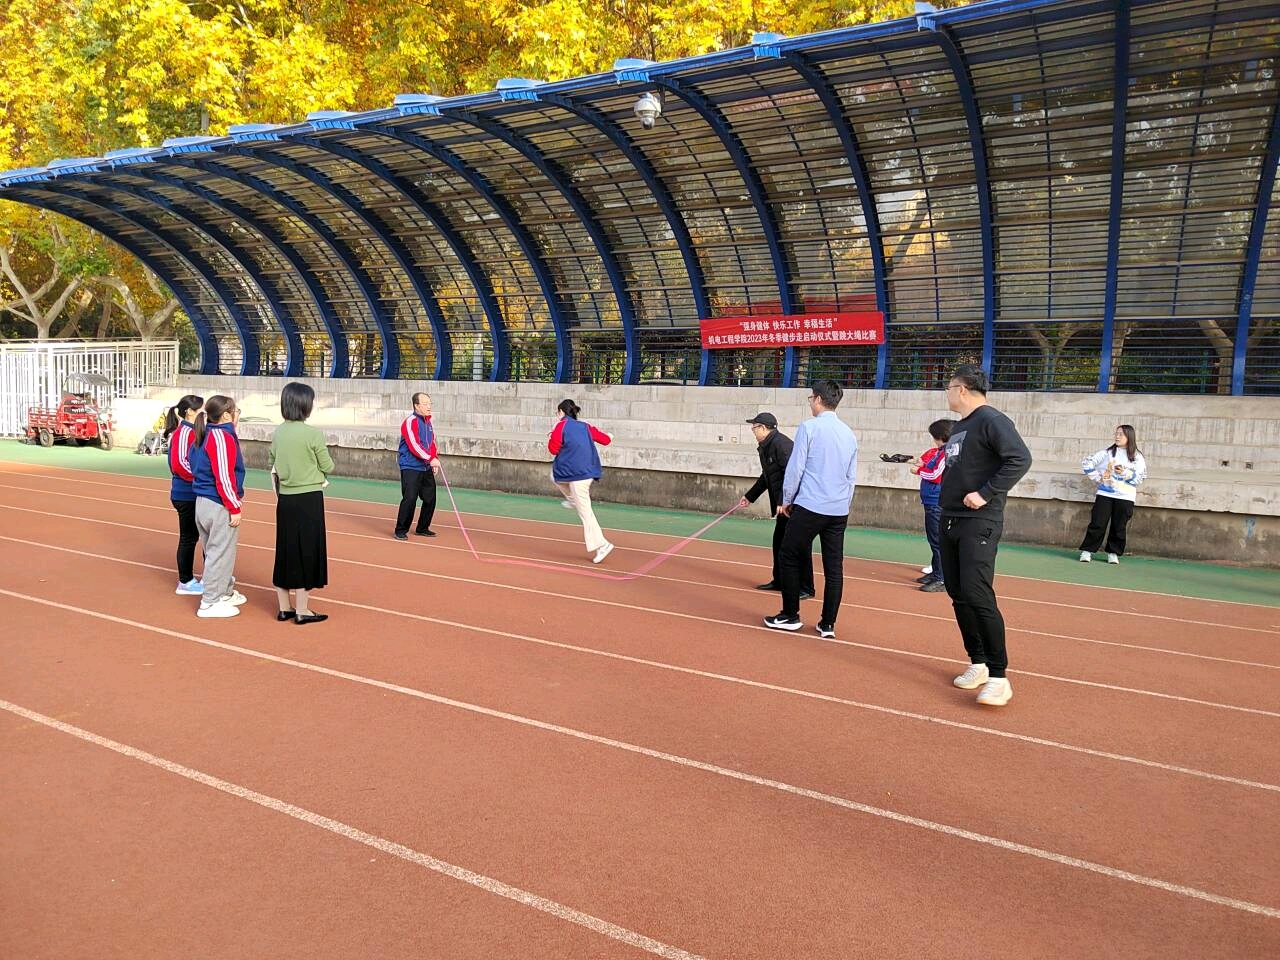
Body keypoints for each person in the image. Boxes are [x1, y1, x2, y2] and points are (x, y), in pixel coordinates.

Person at [939, 365, 1032, 707]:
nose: (947, 394)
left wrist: (985, 493)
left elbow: (1020, 459)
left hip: (979, 520)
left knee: (977, 593)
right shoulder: (960, 427)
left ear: (962, 389)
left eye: (949, 387)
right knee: (958, 593)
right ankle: (977, 662)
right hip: (950, 517)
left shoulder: (992, 420)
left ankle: (998, 676)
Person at [763, 380, 858, 639]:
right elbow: (851, 476)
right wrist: (844, 503)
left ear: (817, 399)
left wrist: (786, 499)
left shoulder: (809, 427)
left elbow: (796, 468)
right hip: (838, 509)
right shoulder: (848, 433)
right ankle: (828, 623)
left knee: (788, 554)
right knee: (834, 567)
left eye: (810, 398)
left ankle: (790, 614)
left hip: (811, 504)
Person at [270, 382, 334, 625]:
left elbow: (272, 459)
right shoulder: (313, 434)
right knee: (307, 550)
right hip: (309, 498)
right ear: (305, 405)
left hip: (285, 498)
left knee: (285, 550)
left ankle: (284, 607)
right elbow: (328, 466)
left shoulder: (278, 432)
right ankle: (302, 609)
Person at [738, 413, 813, 599]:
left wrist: (783, 501)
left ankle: (806, 587)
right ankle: (779, 580)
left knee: (798, 545)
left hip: (794, 504)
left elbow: (793, 474)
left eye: (754, 427)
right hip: (784, 506)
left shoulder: (782, 445)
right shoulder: (765, 446)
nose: (752, 430)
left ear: (763, 428)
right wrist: (750, 496)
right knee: (779, 542)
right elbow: (767, 476)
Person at [189, 395, 247, 619]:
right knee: (219, 553)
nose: (237, 414)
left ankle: (223, 592)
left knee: (217, 551)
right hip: (217, 503)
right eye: (235, 411)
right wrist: (234, 506)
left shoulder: (207, 434)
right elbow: (224, 475)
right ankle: (210, 601)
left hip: (204, 502)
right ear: (225, 415)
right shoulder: (220, 437)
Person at [549, 399, 614, 564]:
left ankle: (602, 544)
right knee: (555, 477)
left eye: (557, 412)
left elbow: (553, 449)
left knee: (585, 512)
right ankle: (572, 499)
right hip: (585, 472)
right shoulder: (585, 426)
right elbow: (605, 440)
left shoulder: (560, 426)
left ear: (561, 412)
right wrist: (609, 436)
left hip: (576, 474)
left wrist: (552, 436)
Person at [1078, 424, 1146, 564]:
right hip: (1105, 494)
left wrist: (1125, 473)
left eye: (1121, 434)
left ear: (1129, 437)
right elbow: (1087, 463)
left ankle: (1113, 553)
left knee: (1119, 526)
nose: (1117, 437)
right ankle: (1087, 551)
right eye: (1116, 433)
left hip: (1126, 496)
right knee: (1098, 523)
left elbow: (1141, 478)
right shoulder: (1107, 453)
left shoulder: (1137, 457)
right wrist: (1099, 477)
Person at [166, 394, 205, 595]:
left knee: (201, 536)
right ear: (190, 412)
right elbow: (180, 463)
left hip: (194, 491)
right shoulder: (183, 433)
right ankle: (185, 581)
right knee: (189, 537)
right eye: (200, 410)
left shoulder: (193, 431)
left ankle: (208, 576)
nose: (203, 414)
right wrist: (202, 478)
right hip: (186, 494)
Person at [910, 419, 954, 593]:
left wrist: (919, 471)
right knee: (934, 539)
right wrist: (922, 465)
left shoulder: (946, 452)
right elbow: (933, 468)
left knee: (937, 541)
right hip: (931, 500)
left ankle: (941, 578)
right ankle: (936, 573)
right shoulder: (941, 452)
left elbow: (936, 475)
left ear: (941, 436)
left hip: (936, 501)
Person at [394, 392, 441, 541]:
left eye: (430, 404)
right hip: (410, 466)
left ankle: (422, 528)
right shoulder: (410, 422)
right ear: (416, 406)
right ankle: (401, 529)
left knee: (430, 498)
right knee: (410, 498)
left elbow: (431, 443)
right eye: (425, 404)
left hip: (425, 466)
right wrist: (430, 458)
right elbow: (414, 445)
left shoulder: (428, 423)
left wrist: (434, 458)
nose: (429, 407)